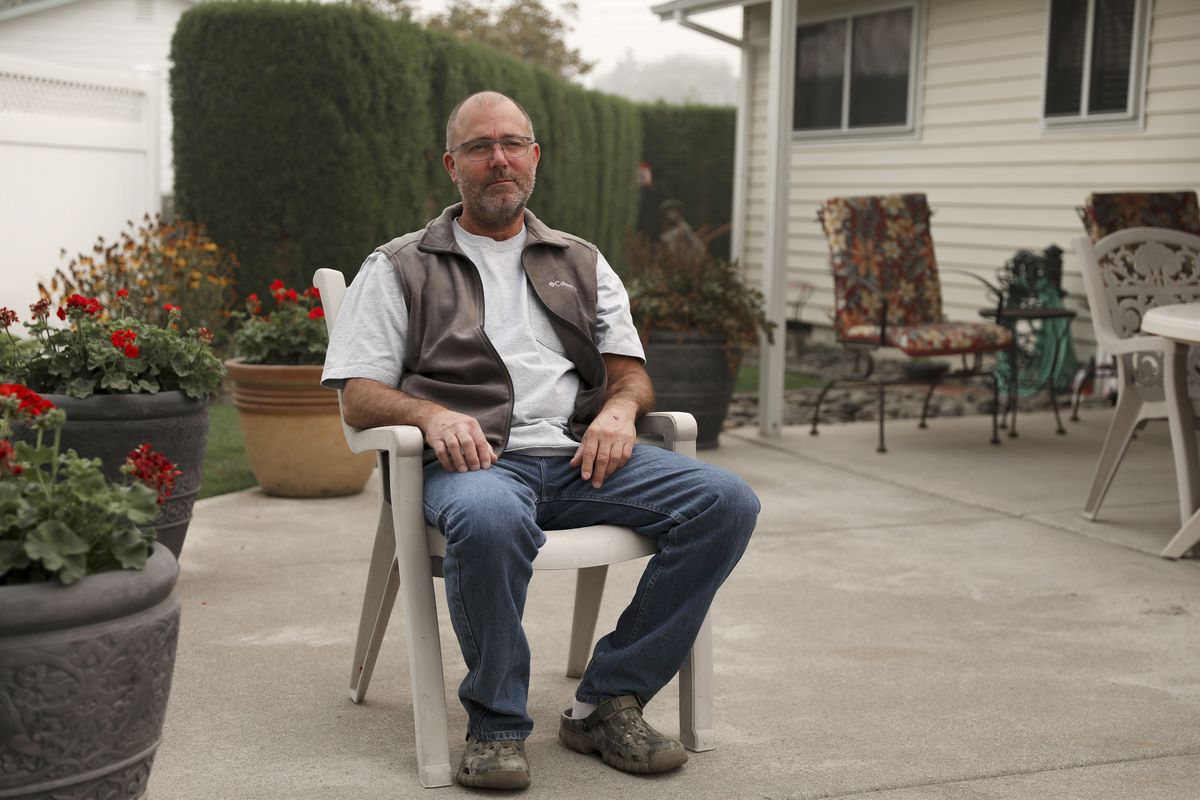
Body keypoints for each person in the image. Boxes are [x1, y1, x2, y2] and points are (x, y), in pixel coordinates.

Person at [322, 91, 758, 790]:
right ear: (451, 166)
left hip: (581, 460)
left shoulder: (581, 261)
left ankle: (607, 700)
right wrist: (432, 416)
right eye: (479, 147)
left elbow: (631, 376)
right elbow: (358, 394)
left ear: (534, 157)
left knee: (726, 502)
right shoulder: (402, 265)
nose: (499, 159)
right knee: (491, 519)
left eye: (512, 144)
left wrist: (619, 412)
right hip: (476, 467)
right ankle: (496, 725)